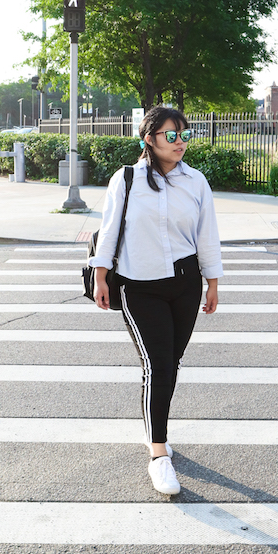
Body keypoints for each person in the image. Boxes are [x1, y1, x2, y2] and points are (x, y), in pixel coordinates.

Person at [90, 106, 224, 495]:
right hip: (139, 285)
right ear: (149, 139)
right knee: (158, 365)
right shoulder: (127, 179)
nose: (180, 142)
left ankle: (155, 425)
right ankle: (159, 454)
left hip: (185, 284)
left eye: (185, 133)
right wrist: (101, 277)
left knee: (172, 362)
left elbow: (207, 235)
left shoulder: (196, 182)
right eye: (171, 135)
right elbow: (110, 229)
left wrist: (212, 283)